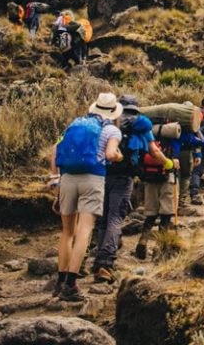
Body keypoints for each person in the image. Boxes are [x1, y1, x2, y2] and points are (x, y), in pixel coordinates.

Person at [50, 93, 123, 301]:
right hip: (92, 179)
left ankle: (60, 281)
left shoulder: (75, 124)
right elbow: (110, 155)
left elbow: (55, 149)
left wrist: (55, 178)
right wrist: (118, 155)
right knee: (85, 230)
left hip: (67, 179)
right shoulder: (111, 129)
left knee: (67, 232)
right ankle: (71, 284)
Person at [91, 95, 142, 284]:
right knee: (115, 218)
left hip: (101, 175)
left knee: (103, 218)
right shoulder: (139, 126)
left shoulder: (105, 126)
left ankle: (97, 261)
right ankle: (106, 262)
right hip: (124, 178)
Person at [134, 120, 179, 260]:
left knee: (151, 212)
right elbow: (178, 151)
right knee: (166, 213)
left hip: (149, 176)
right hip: (167, 175)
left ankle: (143, 240)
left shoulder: (147, 134)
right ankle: (159, 247)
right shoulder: (173, 135)